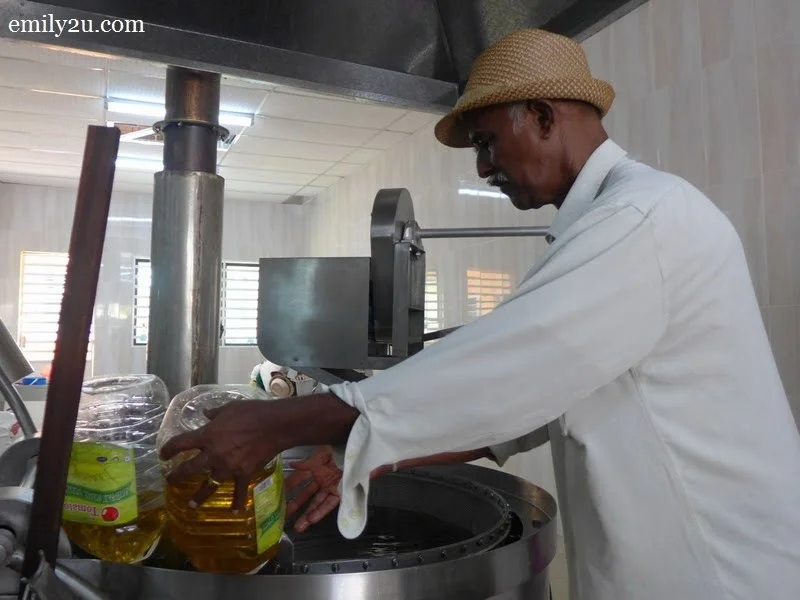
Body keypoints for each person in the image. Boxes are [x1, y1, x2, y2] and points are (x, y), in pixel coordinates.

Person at [160, 28, 800, 599]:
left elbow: (509, 368)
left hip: (719, 568)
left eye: (488, 142)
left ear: (545, 116)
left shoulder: (642, 219)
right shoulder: (610, 225)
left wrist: (276, 424)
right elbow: (521, 407)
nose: (485, 167)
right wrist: (355, 448)